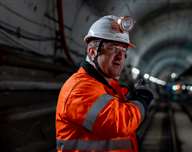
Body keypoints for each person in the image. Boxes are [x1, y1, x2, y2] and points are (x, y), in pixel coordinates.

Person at [55, 15, 153, 152]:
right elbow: (120, 123)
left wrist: (129, 97)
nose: (120, 56)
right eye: (112, 48)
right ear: (92, 51)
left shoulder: (107, 85)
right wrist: (142, 100)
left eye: (123, 50)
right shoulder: (79, 89)